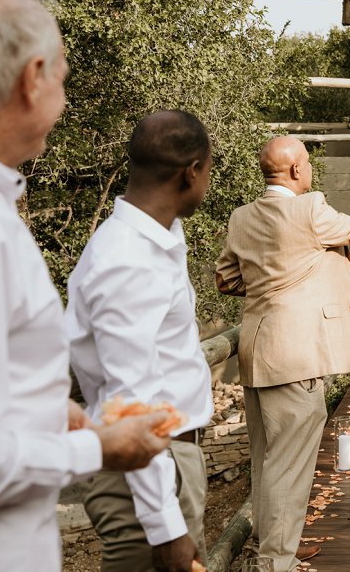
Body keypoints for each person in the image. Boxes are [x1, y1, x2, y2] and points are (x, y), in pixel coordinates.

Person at [0, 0, 171, 572]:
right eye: (63, 80)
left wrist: (42, 410)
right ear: (33, 77)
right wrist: (95, 447)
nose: (64, 102)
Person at [216, 136, 350, 572]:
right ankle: (275, 561)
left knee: (269, 461)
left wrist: (273, 283)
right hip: (296, 355)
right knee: (288, 465)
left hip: (257, 352)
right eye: (307, 162)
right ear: (294, 171)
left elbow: (226, 279)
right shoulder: (309, 209)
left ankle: (271, 547)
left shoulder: (241, 216)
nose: (310, 169)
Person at [67, 111, 216, 572]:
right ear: (192, 171)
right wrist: (165, 526)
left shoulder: (158, 238)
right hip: (143, 476)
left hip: (166, 462)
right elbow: (129, 400)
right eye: (209, 171)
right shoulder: (127, 260)